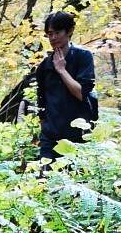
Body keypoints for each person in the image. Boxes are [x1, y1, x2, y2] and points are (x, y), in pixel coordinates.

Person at [35, 12, 96, 163]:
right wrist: (45, 130)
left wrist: (62, 70)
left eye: (58, 32)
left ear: (69, 32)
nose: (54, 38)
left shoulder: (83, 57)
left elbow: (81, 94)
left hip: (79, 135)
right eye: (50, 34)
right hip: (50, 138)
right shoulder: (43, 67)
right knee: (47, 181)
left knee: (79, 183)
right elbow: (41, 103)